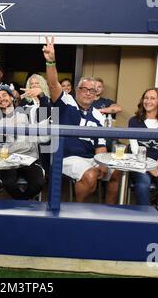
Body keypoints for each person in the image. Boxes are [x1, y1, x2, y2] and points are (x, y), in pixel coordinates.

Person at [42, 37, 120, 204]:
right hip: (65, 158)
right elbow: (53, 84)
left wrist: (103, 163)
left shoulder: (98, 114)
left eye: (92, 90)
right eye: (84, 89)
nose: (88, 93)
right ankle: (78, 212)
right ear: (77, 90)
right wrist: (51, 62)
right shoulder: (67, 102)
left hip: (90, 157)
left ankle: (109, 213)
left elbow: (100, 145)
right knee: (91, 176)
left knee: (115, 173)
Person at [0, 85, 47, 200]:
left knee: (39, 183)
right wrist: (2, 134)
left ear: (12, 97)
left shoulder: (27, 111)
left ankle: (21, 202)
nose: (2, 98)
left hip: (29, 158)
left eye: (4, 95)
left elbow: (45, 111)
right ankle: (22, 203)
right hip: (9, 159)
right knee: (8, 183)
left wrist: (41, 95)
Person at [128, 88, 158, 206]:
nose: (148, 101)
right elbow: (134, 148)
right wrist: (148, 167)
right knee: (142, 185)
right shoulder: (134, 121)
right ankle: (145, 218)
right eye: (146, 98)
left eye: (152, 98)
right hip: (140, 162)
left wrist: (157, 165)